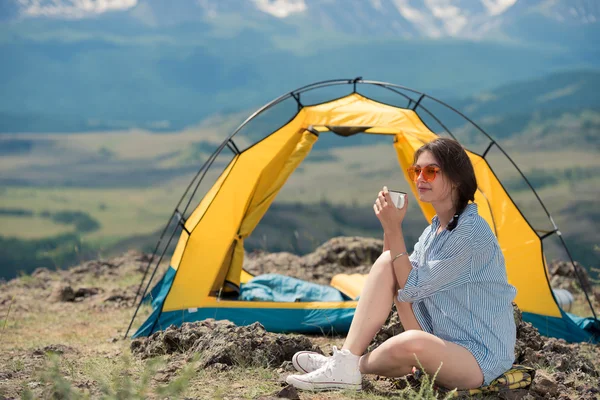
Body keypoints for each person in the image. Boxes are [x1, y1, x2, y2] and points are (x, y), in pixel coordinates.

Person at [285, 137, 517, 392]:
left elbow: (411, 287)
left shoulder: (470, 233)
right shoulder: (435, 231)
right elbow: (395, 275)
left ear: (457, 179)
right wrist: (389, 227)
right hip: (440, 341)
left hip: (478, 358)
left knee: (412, 342)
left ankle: (347, 366)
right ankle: (344, 363)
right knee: (387, 263)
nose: (420, 178)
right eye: (416, 171)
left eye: (430, 171)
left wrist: (394, 227)